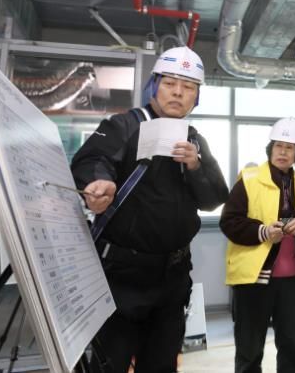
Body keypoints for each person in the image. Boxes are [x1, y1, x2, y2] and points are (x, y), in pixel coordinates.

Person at [71, 46, 229, 373]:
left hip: (173, 277)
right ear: (154, 86)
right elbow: (91, 159)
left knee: (162, 364)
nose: (178, 92)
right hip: (121, 276)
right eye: (170, 83)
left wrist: (196, 165)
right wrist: (99, 182)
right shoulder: (123, 125)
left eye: (188, 87)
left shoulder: (195, 140)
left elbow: (214, 198)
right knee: (109, 364)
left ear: (196, 97)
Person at [220, 117, 295, 373]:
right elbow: (230, 221)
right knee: (249, 349)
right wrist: (263, 231)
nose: (283, 152)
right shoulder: (249, 179)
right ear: (270, 148)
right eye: (278, 145)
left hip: (293, 279)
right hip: (253, 278)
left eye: (289, 147)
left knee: (291, 347)